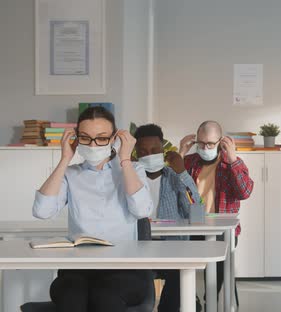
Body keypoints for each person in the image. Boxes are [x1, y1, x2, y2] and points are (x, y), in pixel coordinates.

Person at [33, 107, 153, 312]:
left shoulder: (133, 170)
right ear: (77, 138)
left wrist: (125, 159)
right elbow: (42, 211)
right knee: (71, 296)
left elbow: (142, 210)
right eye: (86, 138)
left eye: (101, 138)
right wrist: (64, 159)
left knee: (105, 296)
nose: (94, 144)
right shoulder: (71, 173)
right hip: (78, 269)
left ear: (114, 138)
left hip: (124, 268)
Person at [179, 120, 254, 304]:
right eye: (201, 143)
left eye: (210, 143)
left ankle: (209, 301)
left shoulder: (232, 164)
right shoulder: (189, 162)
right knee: (177, 255)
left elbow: (245, 192)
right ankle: (191, 300)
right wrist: (180, 153)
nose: (205, 147)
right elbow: (170, 187)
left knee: (218, 262)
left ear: (220, 142)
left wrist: (233, 159)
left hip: (222, 231)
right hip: (192, 226)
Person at [134, 123, 202, 312]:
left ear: (163, 149)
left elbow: (196, 214)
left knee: (178, 275)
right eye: (143, 151)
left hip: (172, 247)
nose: (149, 154)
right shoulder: (130, 178)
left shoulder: (174, 176)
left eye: (154, 150)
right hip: (138, 249)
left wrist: (182, 173)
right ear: (136, 153)